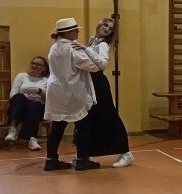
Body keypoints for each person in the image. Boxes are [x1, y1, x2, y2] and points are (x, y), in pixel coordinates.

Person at [43, 17, 101, 172]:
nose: (77, 32)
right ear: (67, 32)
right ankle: (82, 160)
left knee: (57, 126)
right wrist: (88, 50)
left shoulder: (54, 47)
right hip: (72, 91)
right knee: (83, 125)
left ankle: (51, 160)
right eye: (75, 30)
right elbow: (94, 67)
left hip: (56, 91)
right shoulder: (73, 48)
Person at [82, 17, 133, 168]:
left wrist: (85, 50)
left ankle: (126, 153)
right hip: (89, 82)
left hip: (98, 83)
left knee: (110, 116)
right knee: (91, 117)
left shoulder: (103, 45)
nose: (106, 29)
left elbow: (103, 64)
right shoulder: (92, 41)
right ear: (99, 24)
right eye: (105, 25)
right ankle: (86, 155)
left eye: (110, 28)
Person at [6, 55, 49, 151]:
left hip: (38, 106)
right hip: (19, 105)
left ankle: (32, 139)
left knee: (34, 105)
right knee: (19, 97)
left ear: (44, 68)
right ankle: (12, 129)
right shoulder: (21, 76)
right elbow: (13, 94)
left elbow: (48, 100)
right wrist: (26, 97)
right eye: (33, 63)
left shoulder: (46, 81)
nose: (35, 66)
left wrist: (40, 91)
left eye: (38, 64)